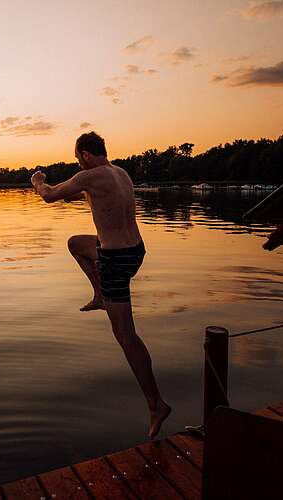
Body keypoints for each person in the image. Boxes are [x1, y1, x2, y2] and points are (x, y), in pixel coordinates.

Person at [30, 131, 171, 439]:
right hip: (134, 251)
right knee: (76, 244)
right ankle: (99, 293)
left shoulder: (90, 176)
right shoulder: (120, 173)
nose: (78, 163)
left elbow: (50, 195)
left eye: (78, 158)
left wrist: (38, 181)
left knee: (126, 336)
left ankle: (156, 404)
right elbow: (79, 195)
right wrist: (72, 190)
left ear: (84, 155)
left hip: (115, 260)